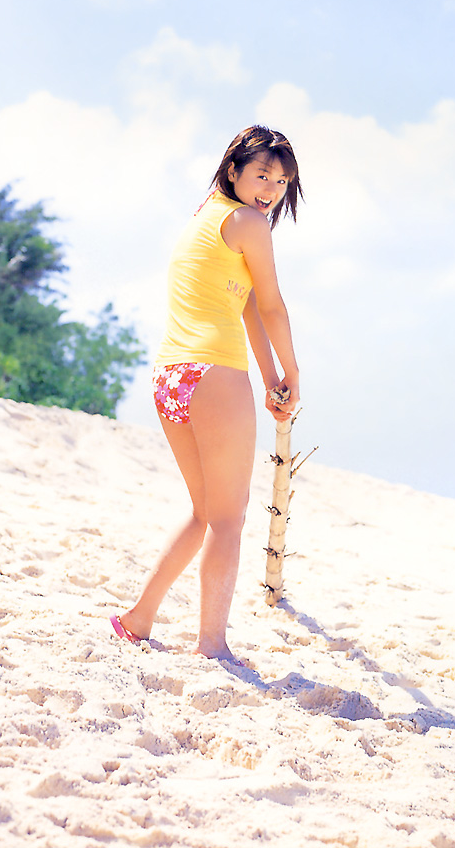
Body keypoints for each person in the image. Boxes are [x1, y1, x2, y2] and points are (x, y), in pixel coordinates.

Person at [111, 124, 303, 663]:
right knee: (227, 520)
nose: (270, 190)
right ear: (234, 169)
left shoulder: (206, 216)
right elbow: (271, 305)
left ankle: (138, 618)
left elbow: (246, 306)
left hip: (172, 377)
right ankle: (211, 643)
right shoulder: (249, 223)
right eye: (262, 175)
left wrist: (272, 378)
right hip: (214, 374)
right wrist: (294, 373)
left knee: (205, 513)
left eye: (281, 182)